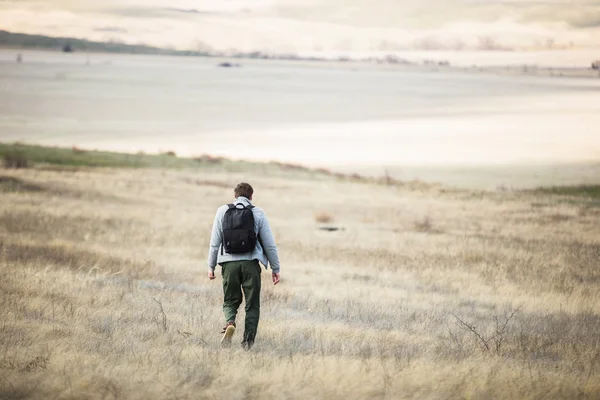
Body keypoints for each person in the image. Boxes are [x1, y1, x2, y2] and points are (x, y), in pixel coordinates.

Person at [207, 182, 281, 350]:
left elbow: (214, 242)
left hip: (229, 265)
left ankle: (230, 321)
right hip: (250, 265)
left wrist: (211, 266)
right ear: (251, 196)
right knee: (252, 305)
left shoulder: (222, 211)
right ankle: (247, 343)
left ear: (235, 196)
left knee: (230, 300)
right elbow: (269, 244)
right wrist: (275, 268)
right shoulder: (258, 213)